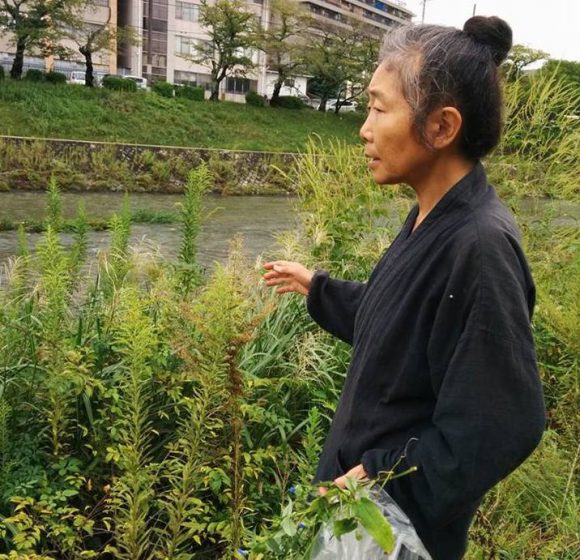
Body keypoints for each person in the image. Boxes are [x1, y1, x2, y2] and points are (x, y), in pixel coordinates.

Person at [263, 15, 546, 560]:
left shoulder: (480, 246)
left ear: (441, 127)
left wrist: (379, 478)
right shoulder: (432, 216)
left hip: (396, 534)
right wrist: (316, 287)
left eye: (377, 107)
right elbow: (398, 321)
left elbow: (505, 422)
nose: (364, 129)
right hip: (365, 516)